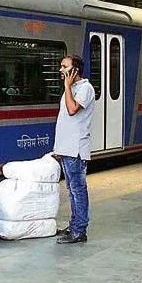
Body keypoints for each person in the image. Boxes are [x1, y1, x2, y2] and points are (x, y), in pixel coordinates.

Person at [53, 54, 95, 244]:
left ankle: (79, 231)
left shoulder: (85, 88)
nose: (61, 70)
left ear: (75, 70)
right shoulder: (72, 89)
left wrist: (67, 86)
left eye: (64, 67)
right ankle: (74, 224)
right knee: (71, 189)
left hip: (76, 149)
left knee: (78, 189)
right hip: (66, 149)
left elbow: (72, 110)